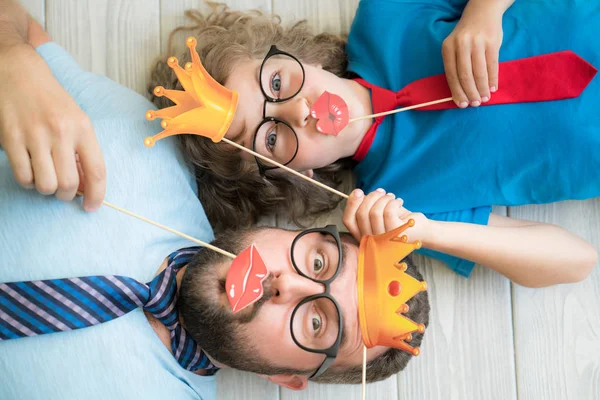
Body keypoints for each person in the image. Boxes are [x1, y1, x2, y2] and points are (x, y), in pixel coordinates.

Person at [0, 2, 429, 397]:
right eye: (318, 262)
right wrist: (10, 56)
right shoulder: (143, 145)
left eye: (316, 323)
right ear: (298, 231)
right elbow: (15, 21)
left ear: (286, 378)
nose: (285, 285)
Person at [148, 2, 599, 281]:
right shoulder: (404, 201)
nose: (299, 111)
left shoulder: (387, 14)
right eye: (270, 138)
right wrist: (424, 231)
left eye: (279, 81)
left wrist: (483, 10)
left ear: (297, 53)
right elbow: (576, 260)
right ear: (291, 176)